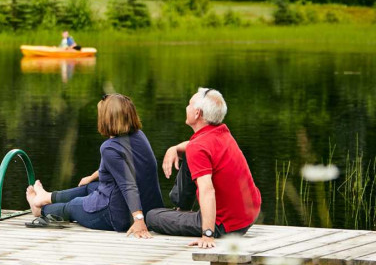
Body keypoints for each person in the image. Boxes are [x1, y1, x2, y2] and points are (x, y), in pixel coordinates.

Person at [25, 94, 164, 236]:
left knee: (73, 205)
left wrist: (138, 219)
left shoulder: (109, 147)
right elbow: (123, 166)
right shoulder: (139, 136)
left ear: (107, 119)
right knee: (89, 187)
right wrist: (92, 176)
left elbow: (128, 184)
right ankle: (46, 196)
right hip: (149, 209)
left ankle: (40, 210)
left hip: (119, 217)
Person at [145, 88, 261, 248]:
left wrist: (207, 234)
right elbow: (194, 147)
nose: (186, 107)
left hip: (223, 226)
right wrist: (175, 148)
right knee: (188, 153)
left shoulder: (198, 147)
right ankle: (181, 209)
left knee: (151, 216)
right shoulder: (223, 133)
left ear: (197, 113)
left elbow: (207, 190)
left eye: (189, 104)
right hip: (247, 218)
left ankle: (184, 214)